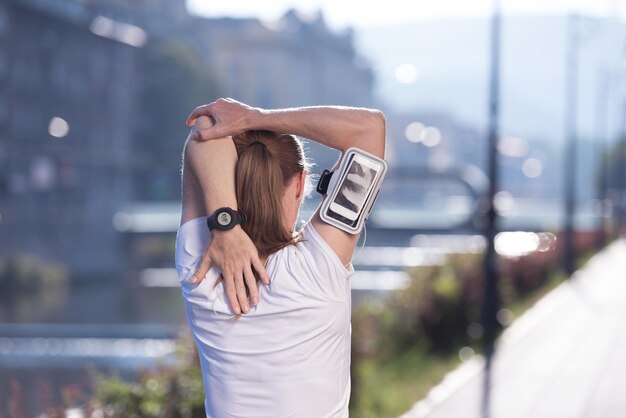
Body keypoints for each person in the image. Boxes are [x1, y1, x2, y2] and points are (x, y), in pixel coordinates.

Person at [175, 98, 386, 417]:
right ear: (301, 183)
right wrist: (253, 117)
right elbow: (369, 128)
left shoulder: (201, 268)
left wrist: (225, 226)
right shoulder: (320, 265)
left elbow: (205, 128)